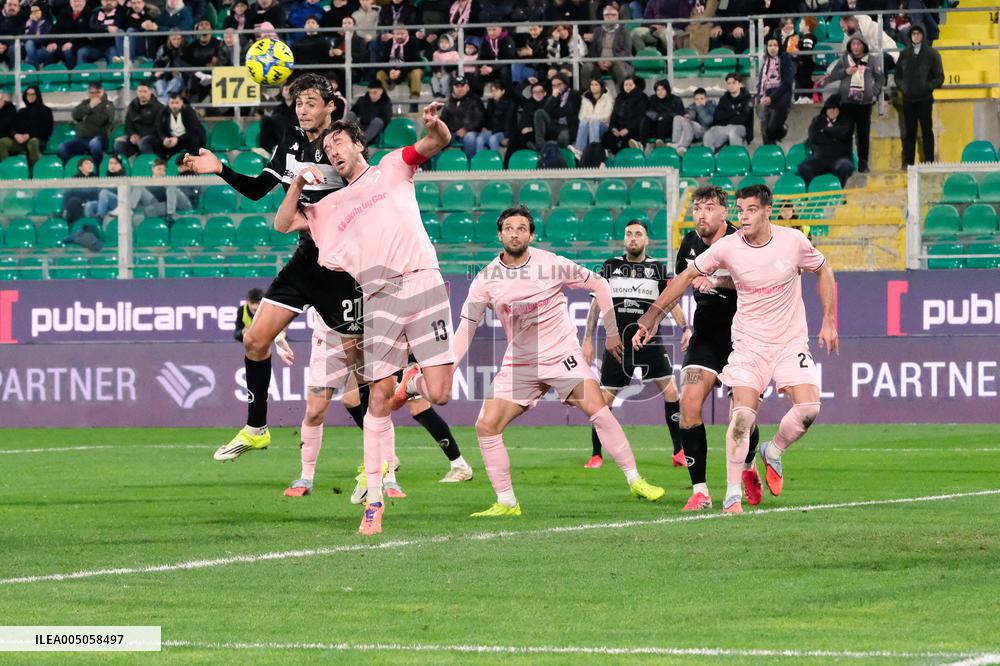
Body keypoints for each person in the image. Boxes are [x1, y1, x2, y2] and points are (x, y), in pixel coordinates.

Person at [273, 105, 456, 536]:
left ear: (359, 144)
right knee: (376, 400)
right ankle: (374, 499)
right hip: (378, 296)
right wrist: (298, 182)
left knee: (441, 394)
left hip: (425, 282)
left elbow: (438, 142)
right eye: (327, 147)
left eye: (339, 142)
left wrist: (433, 126)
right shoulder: (330, 206)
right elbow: (283, 224)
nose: (332, 150)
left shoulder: (393, 167)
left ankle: (408, 382)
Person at [182, 74, 364, 464]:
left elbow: (365, 201)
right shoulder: (292, 141)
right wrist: (220, 169)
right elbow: (257, 190)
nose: (303, 109)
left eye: (311, 102)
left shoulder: (342, 146)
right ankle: (256, 428)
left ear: (331, 106)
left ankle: (382, 457)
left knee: (359, 374)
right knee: (254, 339)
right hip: (306, 260)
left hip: (345, 267)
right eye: (299, 103)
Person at [633, 184, 838, 513]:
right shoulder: (720, 246)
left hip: (787, 341)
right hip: (743, 342)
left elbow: (823, 269)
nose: (744, 216)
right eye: (741, 210)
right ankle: (722, 495)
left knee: (808, 409)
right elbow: (685, 276)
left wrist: (828, 320)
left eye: (750, 210)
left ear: (767, 210)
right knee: (736, 415)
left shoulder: (793, 241)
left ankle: (769, 453)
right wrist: (653, 315)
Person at [453, 205, 667, 516]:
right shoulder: (486, 279)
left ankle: (635, 479)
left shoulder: (551, 264)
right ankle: (507, 503)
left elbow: (600, 284)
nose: (515, 233)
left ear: (531, 234)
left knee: (598, 408)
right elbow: (465, 328)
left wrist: (611, 333)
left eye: (521, 228)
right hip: (521, 363)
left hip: (561, 355)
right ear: (499, 234)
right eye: (509, 228)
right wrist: (449, 367)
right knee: (486, 425)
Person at [672, 185, 761, 511]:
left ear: (725, 212)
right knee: (689, 403)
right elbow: (679, 283)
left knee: (740, 418)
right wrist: (678, 323)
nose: (701, 214)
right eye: (697, 208)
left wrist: (717, 281)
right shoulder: (690, 245)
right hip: (706, 337)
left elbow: (757, 282)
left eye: (709, 207)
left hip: (745, 338)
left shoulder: (745, 242)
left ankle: (749, 464)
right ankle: (701, 491)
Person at [581, 219, 687, 470]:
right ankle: (596, 454)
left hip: (650, 341)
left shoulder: (657, 269)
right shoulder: (610, 267)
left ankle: (679, 451)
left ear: (647, 240)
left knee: (672, 392)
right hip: (618, 343)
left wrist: (686, 328)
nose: (633, 238)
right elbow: (596, 305)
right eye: (629, 234)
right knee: (604, 401)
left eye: (638, 234)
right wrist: (587, 338)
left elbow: (671, 302)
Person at [828, 34, 883, 173]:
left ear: (863, 45)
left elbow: (880, 78)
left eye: (858, 44)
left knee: (863, 134)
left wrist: (873, 92)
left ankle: (863, 163)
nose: (856, 47)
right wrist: (845, 71)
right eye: (853, 44)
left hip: (864, 104)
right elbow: (833, 75)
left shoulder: (872, 60)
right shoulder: (844, 60)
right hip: (847, 103)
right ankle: (846, 163)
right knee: (846, 134)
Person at [895, 25, 943, 167]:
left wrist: (927, 87)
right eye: (913, 33)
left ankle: (929, 161)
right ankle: (909, 162)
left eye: (918, 33)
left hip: (925, 99)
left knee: (927, 130)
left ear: (923, 35)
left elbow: (940, 77)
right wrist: (903, 87)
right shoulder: (904, 54)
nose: (916, 36)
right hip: (908, 99)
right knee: (910, 132)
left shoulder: (932, 54)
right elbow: (898, 75)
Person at [798, 94, 854, 186]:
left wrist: (824, 130)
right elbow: (814, 137)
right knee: (803, 168)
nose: (832, 111)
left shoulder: (845, 121)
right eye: (829, 108)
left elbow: (844, 133)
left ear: (839, 109)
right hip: (820, 159)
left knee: (844, 166)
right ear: (825, 110)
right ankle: (816, 188)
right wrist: (834, 137)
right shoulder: (817, 121)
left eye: (835, 108)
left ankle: (837, 192)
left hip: (840, 159)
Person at [58, 82, 115, 168]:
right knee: (62, 148)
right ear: (88, 93)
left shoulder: (108, 105)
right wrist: (90, 106)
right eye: (92, 93)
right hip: (81, 139)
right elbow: (75, 114)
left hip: (99, 138)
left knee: (94, 144)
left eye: (97, 92)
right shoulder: (85, 103)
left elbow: (100, 121)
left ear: (102, 91)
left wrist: (85, 115)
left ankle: (97, 170)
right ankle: (74, 169)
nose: (95, 95)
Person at [581, 4, 633, 89]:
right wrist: (598, 61)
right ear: (603, 17)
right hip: (599, 64)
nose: (610, 17)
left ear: (618, 17)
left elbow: (626, 51)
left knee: (619, 66)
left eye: (613, 15)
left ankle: (623, 96)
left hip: (617, 62)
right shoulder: (598, 31)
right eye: (607, 15)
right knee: (587, 67)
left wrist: (612, 61)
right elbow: (592, 51)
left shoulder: (624, 32)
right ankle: (587, 95)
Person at [0, 86, 53, 169]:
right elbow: (12, 127)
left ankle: (35, 171)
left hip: (38, 140)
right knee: (2, 142)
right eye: (28, 94)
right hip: (21, 141)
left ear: (37, 95)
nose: (30, 96)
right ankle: (7, 169)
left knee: (33, 142)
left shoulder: (46, 111)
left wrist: (29, 135)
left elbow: (46, 130)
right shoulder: (22, 112)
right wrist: (15, 135)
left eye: (33, 94)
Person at [756, 36, 795, 145]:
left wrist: (771, 98)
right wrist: (760, 97)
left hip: (781, 100)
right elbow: (761, 82)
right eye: (770, 45)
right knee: (766, 135)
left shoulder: (785, 60)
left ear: (779, 47)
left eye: (775, 45)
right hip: (765, 100)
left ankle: (783, 130)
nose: (772, 48)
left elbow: (787, 83)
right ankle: (769, 159)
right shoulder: (766, 62)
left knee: (770, 131)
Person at [703, 73, 753, 151]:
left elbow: (743, 119)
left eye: (733, 83)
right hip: (724, 127)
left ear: (739, 84)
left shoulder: (747, 99)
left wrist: (726, 116)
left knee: (733, 132)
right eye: (728, 83)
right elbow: (716, 116)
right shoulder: (724, 99)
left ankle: (736, 159)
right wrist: (734, 113)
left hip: (741, 128)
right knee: (708, 134)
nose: (731, 85)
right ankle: (710, 160)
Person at [440, 76, 485, 160]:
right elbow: (443, 119)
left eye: (462, 86)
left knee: (470, 138)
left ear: (467, 87)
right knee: (436, 138)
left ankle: (469, 163)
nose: (459, 89)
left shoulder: (475, 100)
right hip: (452, 133)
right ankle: (435, 166)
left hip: (470, 132)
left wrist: (466, 129)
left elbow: (479, 119)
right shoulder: (450, 101)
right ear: (453, 88)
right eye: (457, 86)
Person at [534, 74, 581, 149]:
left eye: (559, 84)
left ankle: (554, 147)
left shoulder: (574, 94)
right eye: (554, 85)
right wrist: (553, 97)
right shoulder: (555, 96)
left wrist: (553, 113)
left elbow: (569, 110)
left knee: (563, 137)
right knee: (539, 112)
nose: (556, 87)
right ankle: (540, 143)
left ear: (565, 84)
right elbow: (545, 111)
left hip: (568, 127)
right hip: (555, 125)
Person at [602, 75, 647, 154]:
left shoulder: (641, 97)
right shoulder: (619, 97)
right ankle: (616, 157)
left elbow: (640, 117)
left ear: (635, 85)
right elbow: (614, 115)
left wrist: (628, 129)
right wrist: (613, 127)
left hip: (634, 128)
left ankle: (623, 160)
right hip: (619, 128)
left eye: (630, 85)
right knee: (607, 137)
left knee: (626, 140)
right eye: (626, 85)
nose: (628, 87)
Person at [376, 27, 423, 100]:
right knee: (380, 74)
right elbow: (382, 61)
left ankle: (414, 101)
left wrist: (400, 72)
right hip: (392, 70)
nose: (400, 36)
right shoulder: (389, 42)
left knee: (415, 73)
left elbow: (416, 62)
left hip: (409, 69)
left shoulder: (412, 41)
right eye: (397, 34)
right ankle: (383, 99)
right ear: (393, 34)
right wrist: (390, 70)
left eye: (402, 34)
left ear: (407, 33)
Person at [154, 93, 205, 160]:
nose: (174, 106)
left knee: (194, 141)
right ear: (168, 103)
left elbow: (194, 130)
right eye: (172, 103)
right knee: (157, 144)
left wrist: (178, 139)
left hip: (187, 139)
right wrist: (164, 138)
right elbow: (159, 127)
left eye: (177, 103)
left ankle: (195, 161)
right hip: (172, 140)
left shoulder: (189, 111)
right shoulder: (163, 112)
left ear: (181, 103)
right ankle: (164, 163)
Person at [572, 78, 613, 157]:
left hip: (603, 127)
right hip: (588, 126)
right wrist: (591, 119)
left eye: (596, 85)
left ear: (601, 86)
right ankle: (579, 151)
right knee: (584, 122)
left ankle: (594, 150)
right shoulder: (585, 98)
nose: (593, 87)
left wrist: (591, 118)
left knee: (593, 122)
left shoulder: (607, 98)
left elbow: (607, 116)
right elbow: (581, 116)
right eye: (592, 85)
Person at [640, 78, 684, 147]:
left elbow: (680, 115)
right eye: (658, 90)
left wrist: (665, 116)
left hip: (670, 129)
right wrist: (658, 117)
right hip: (655, 128)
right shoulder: (653, 98)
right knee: (645, 119)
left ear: (667, 89)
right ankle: (641, 145)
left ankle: (660, 145)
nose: (660, 92)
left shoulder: (676, 100)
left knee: (664, 119)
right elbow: (648, 112)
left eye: (663, 89)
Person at [671, 87, 714, 155]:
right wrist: (689, 116)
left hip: (705, 131)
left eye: (701, 98)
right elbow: (691, 114)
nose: (699, 101)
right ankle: (675, 143)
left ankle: (682, 146)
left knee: (689, 122)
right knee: (678, 118)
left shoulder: (711, 106)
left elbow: (708, 121)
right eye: (696, 99)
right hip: (693, 129)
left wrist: (699, 107)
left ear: (706, 98)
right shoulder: (693, 106)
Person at [477, 80, 516, 153]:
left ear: (503, 91)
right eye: (492, 91)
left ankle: (496, 162)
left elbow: (509, 121)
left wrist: (507, 136)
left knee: (493, 139)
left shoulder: (510, 103)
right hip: (492, 130)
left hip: (504, 132)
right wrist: (484, 127)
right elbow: (487, 117)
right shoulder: (491, 102)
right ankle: (480, 161)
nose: (494, 93)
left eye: (496, 90)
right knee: (480, 139)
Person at [83, 154, 127, 219]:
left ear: (120, 166)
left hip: (119, 204)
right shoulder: (105, 177)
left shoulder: (124, 177)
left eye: (116, 163)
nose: (112, 165)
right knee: (89, 205)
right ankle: (92, 225)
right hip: (104, 203)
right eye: (111, 163)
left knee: (104, 192)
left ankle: (100, 217)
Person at [259, 82, 296, 154]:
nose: (288, 91)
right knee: (267, 120)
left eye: (291, 89)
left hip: (295, 137)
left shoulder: (299, 107)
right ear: (282, 92)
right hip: (279, 138)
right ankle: (267, 150)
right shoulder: (278, 108)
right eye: (286, 89)